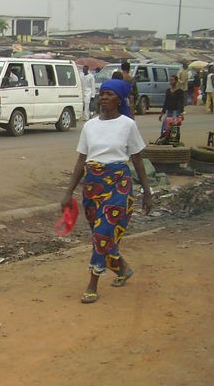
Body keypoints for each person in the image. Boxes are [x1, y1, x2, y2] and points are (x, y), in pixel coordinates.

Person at [62, 79, 152, 304]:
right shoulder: (90, 126)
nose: (103, 97)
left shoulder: (127, 125)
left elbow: (138, 160)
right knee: (101, 236)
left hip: (119, 184)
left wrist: (147, 191)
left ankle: (92, 284)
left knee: (103, 233)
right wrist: (68, 193)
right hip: (92, 186)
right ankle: (123, 269)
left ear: (119, 99)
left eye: (109, 94)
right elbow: (81, 161)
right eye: (102, 93)